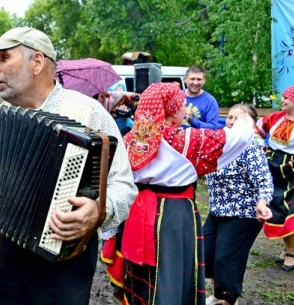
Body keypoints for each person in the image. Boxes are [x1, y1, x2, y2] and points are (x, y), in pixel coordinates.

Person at [0, 26, 138, 305]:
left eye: (4, 58)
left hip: (66, 262)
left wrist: (100, 209)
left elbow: (124, 185)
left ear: (37, 62)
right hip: (9, 258)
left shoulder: (88, 113)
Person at [102, 82, 254, 305]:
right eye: (183, 105)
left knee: (142, 275)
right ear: (171, 111)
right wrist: (243, 120)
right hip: (173, 216)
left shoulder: (130, 140)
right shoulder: (184, 141)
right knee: (171, 271)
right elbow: (239, 138)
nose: (186, 110)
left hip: (136, 212)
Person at [204, 103, 273, 305]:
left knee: (227, 260)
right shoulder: (220, 142)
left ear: (250, 124)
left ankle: (229, 300)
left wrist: (262, 203)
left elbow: (264, 180)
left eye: (238, 118)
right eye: (230, 118)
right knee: (207, 254)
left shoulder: (249, 146)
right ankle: (219, 295)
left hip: (243, 213)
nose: (232, 122)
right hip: (218, 211)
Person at [255, 84, 294, 272]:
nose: (282, 100)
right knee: (277, 209)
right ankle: (289, 247)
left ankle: (290, 251)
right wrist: (260, 147)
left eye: (286, 98)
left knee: (290, 208)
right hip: (273, 168)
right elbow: (257, 130)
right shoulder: (275, 118)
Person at [183, 65, 220, 129]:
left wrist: (192, 120)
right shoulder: (177, 96)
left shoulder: (210, 101)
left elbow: (213, 127)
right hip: (176, 138)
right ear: (185, 79)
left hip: (199, 138)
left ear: (204, 80)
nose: (195, 82)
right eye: (192, 79)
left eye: (199, 79)